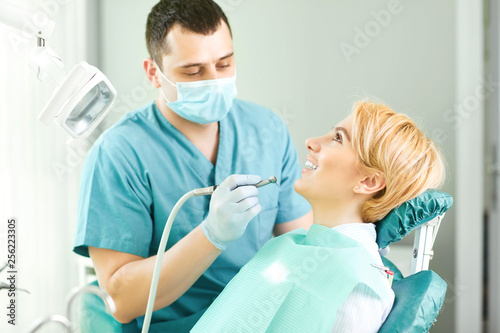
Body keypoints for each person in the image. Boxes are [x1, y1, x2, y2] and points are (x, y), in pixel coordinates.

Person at [72, 0, 312, 331]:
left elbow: (304, 242)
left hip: (255, 320)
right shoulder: (119, 153)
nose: (214, 80)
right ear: (154, 73)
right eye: (193, 71)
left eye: (224, 64)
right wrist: (211, 236)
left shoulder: (266, 129)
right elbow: (121, 301)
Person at [191, 101, 446, 332]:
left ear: (368, 181)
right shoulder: (291, 246)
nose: (311, 141)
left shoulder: (359, 287)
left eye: (337, 138)